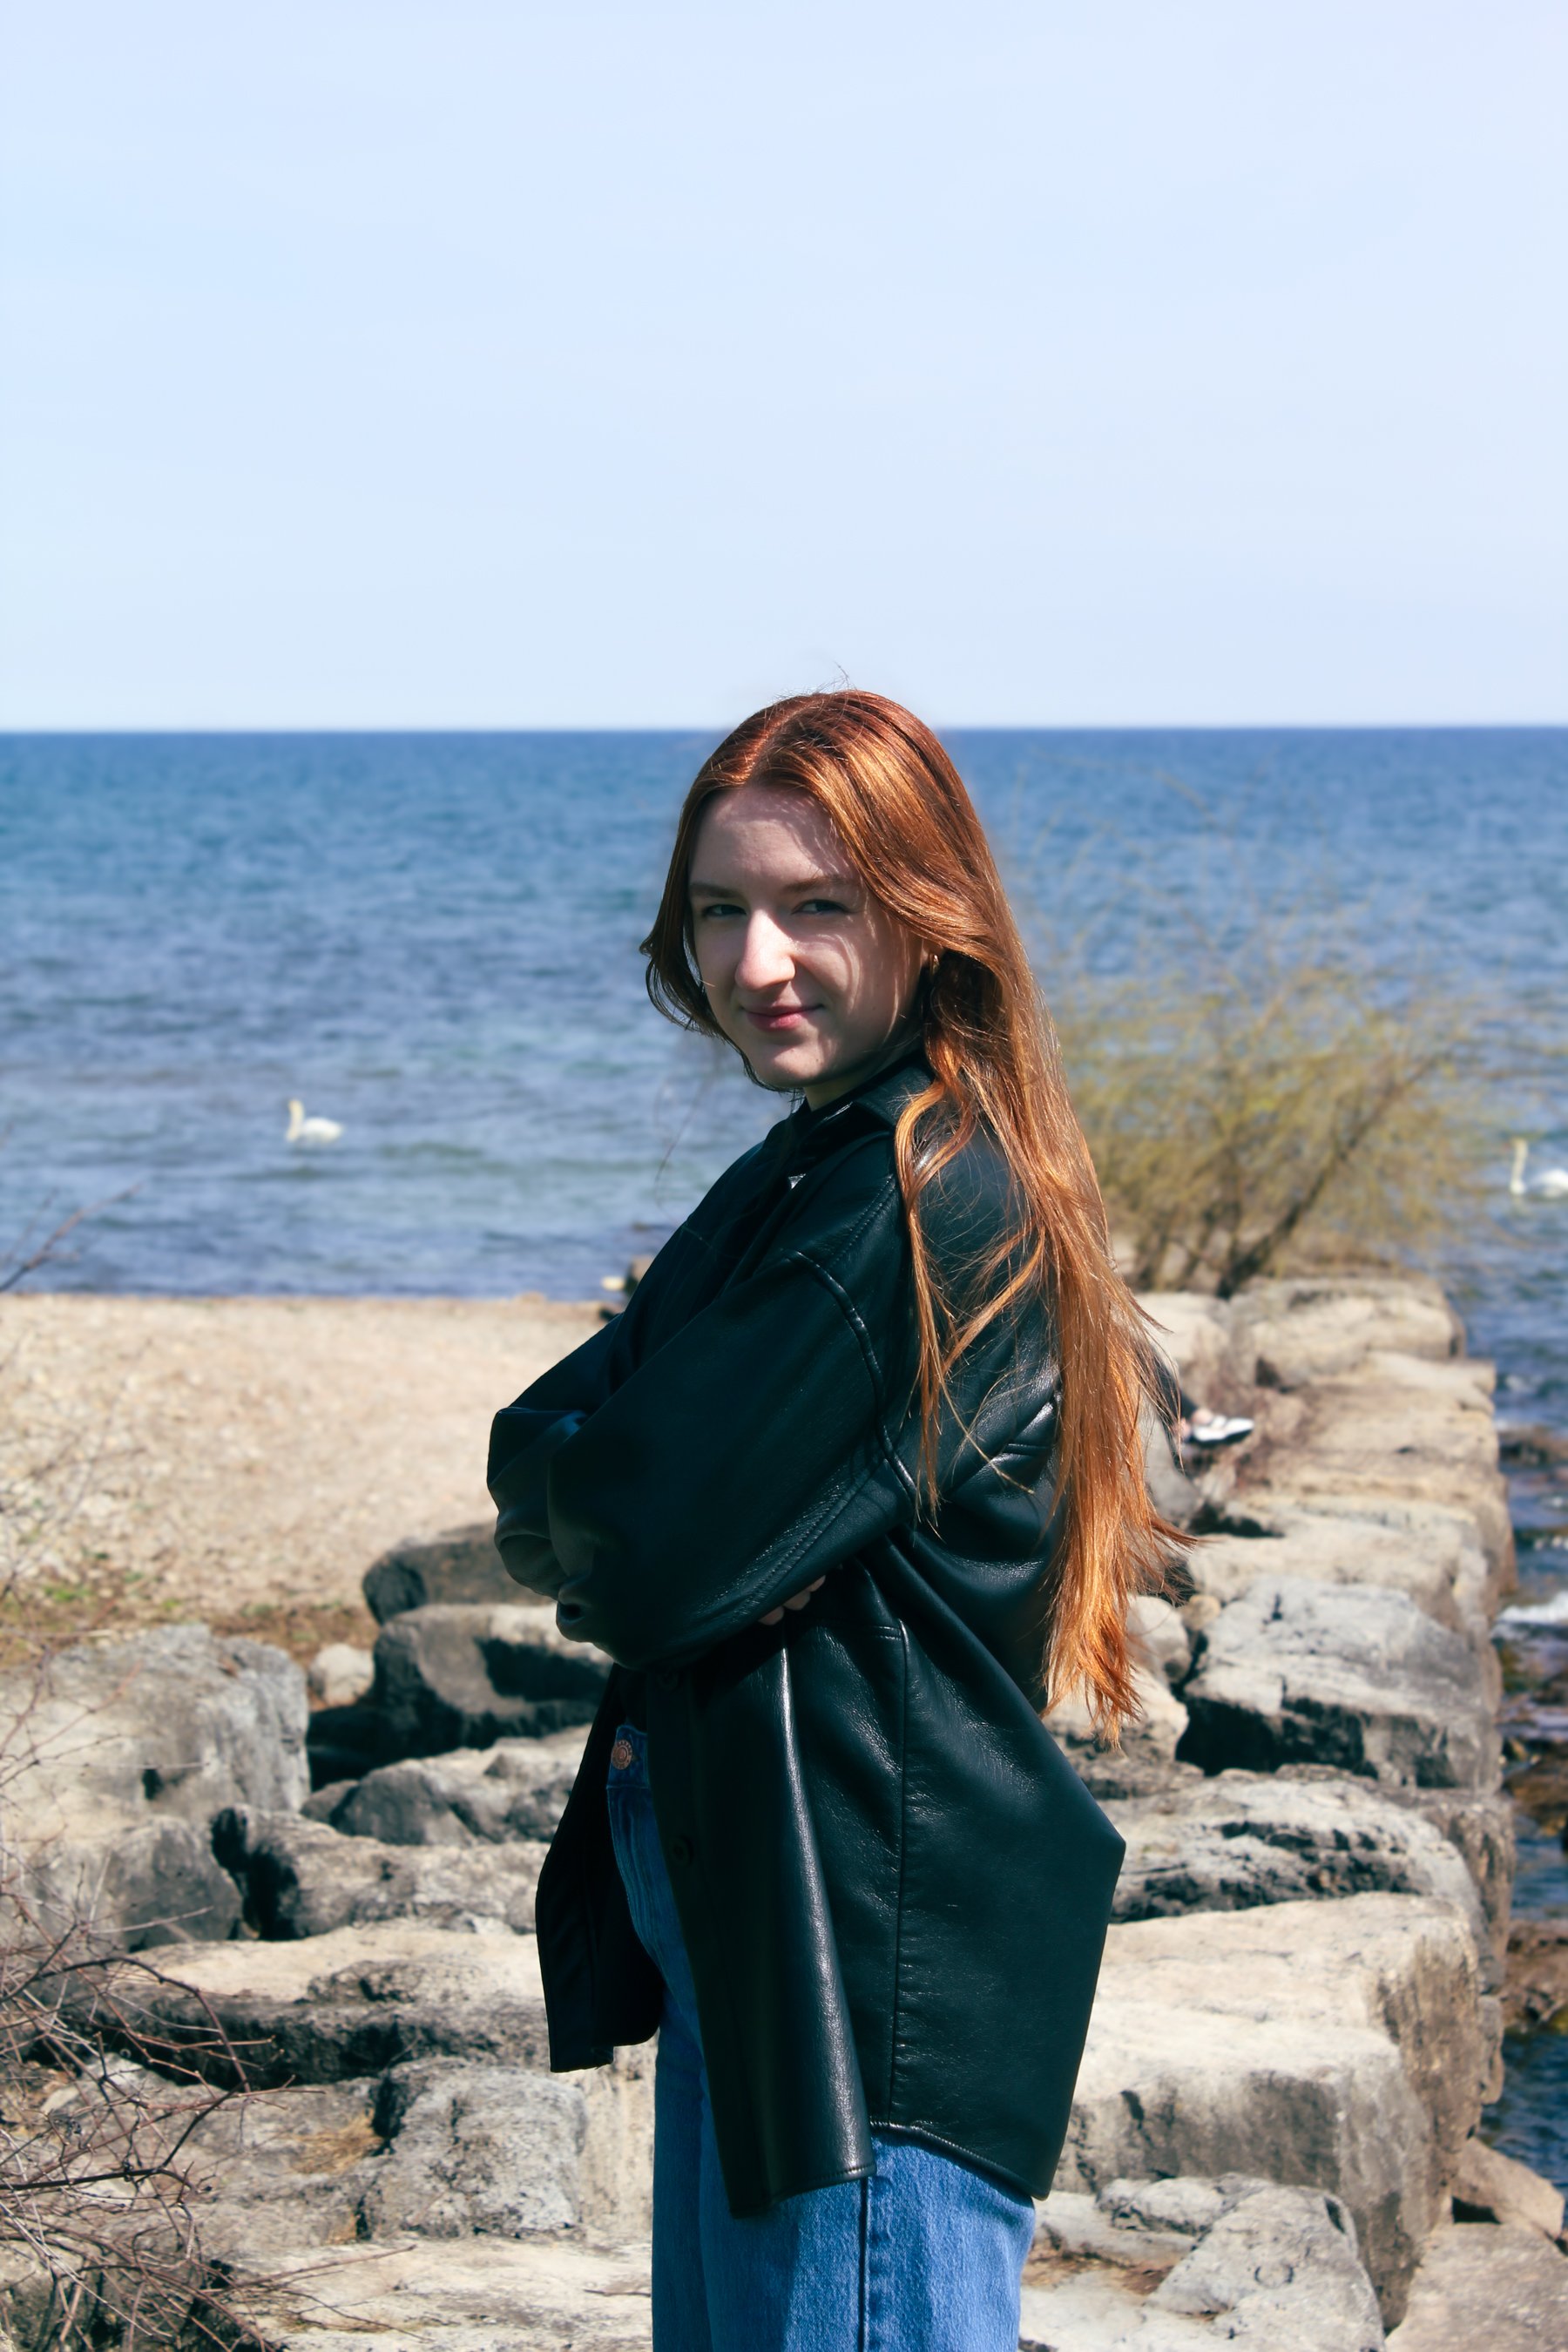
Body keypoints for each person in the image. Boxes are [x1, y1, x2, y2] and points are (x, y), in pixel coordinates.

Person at [487, 691, 1186, 2352]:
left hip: (862, 1969)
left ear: (925, 916)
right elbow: (541, 1452)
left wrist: (621, 1477)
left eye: (817, 906)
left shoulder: (917, 1193)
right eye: (721, 910)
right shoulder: (812, 1164)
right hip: (771, 1924)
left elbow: (635, 1538)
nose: (756, 961)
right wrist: (618, 1477)